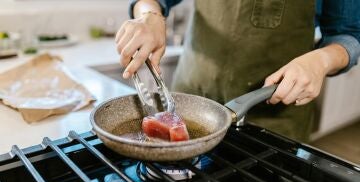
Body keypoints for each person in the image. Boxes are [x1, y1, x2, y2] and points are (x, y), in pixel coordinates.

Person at [115, 0, 360, 142]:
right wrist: (149, 15)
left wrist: (322, 60)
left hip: (274, 117)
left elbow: (349, 34)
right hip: (192, 102)